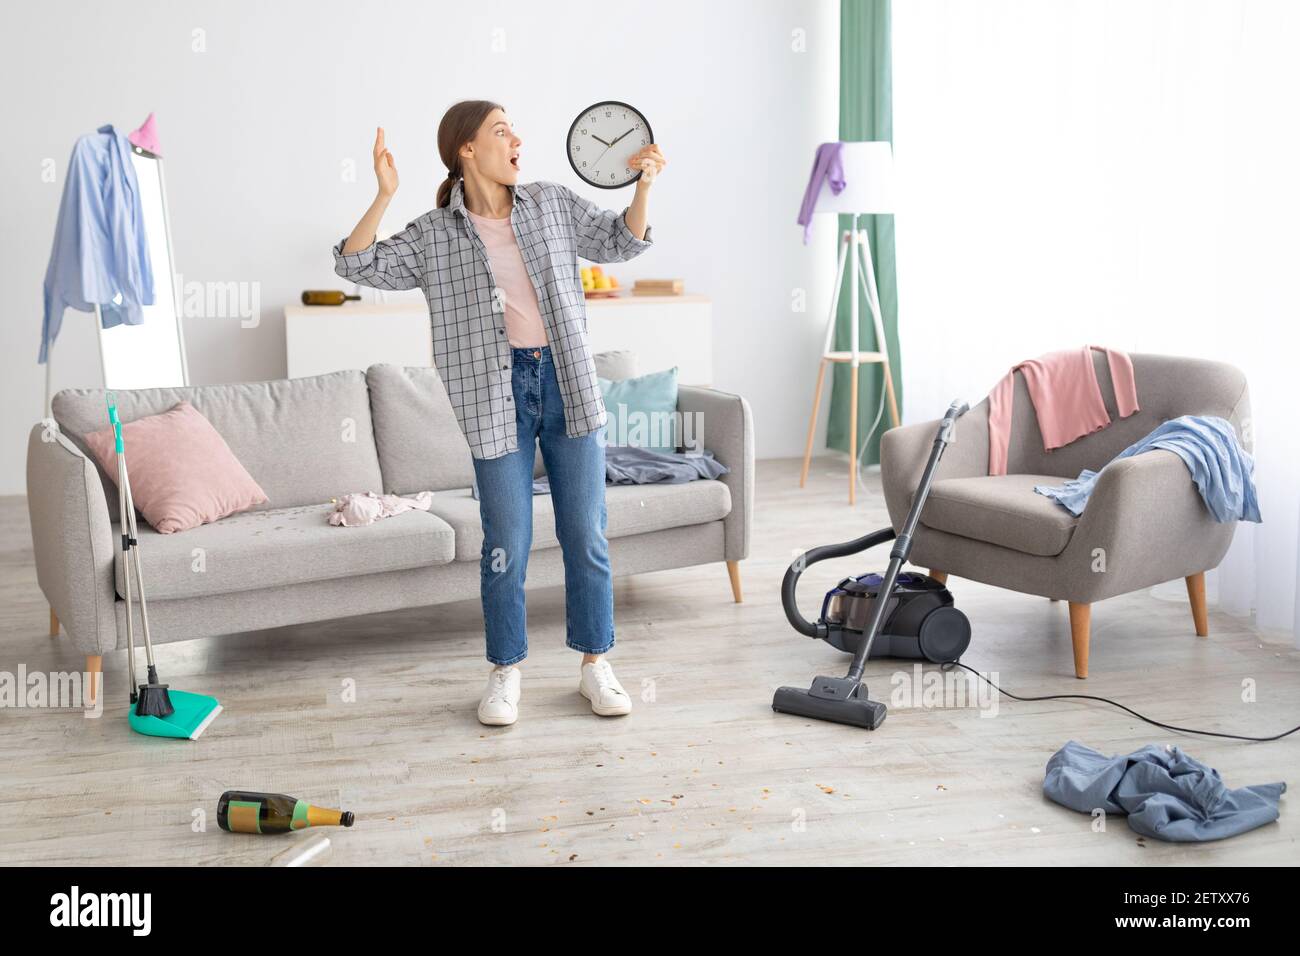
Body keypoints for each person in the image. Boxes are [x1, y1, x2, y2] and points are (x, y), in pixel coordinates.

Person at [334, 100, 666, 727]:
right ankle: (505, 670)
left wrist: (644, 185)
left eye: (514, 128)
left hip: (567, 379)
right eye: (502, 130)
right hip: (495, 393)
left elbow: (623, 241)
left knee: (585, 534)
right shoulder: (434, 234)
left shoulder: (552, 203)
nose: (518, 138)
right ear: (467, 149)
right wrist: (384, 194)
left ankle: (596, 665)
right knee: (506, 543)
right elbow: (356, 263)